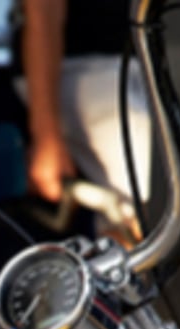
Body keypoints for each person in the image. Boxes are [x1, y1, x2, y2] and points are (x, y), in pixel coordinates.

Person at [15, 0, 151, 244]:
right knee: (139, 233)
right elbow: (43, 8)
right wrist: (46, 137)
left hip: (134, 67)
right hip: (90, 76)